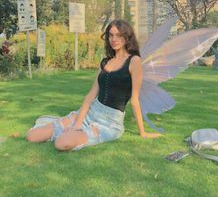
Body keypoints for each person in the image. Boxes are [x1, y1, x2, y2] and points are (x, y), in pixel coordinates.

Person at [27, 19, 161, 151]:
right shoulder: (105, 62)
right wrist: (78, 123)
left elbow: (135, 100)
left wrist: (142, 132)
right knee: (32, 136)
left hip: (109, 123)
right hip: (90, 112)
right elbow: (91, 95)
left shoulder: (134, 61)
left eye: (119, 35)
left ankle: (71, 133)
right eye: (111, 35)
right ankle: (70, 129)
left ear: (127, 38)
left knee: (61, 143)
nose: (114, 39)